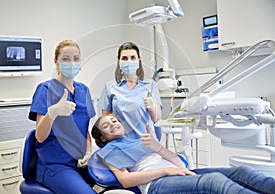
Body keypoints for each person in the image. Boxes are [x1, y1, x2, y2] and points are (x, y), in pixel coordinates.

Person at [91, 114, 275, 194]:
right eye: (106, 125)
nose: (113, 124)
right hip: (156, 185)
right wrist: (165, 171)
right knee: (214, 181)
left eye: (114, 120)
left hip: (175, 173)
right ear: (103, 137)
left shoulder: (140, 140)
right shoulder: (108, 151)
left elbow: (181, 165)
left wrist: (158, 148)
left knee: (242, 172)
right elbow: (126, 180)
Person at [28, 40, 97, 194]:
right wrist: (52, 113)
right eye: (65, 58)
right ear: (56, 61)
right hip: (55, 165)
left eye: (76, 58)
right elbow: (39, 136)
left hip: (80, 163)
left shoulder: (83, 90)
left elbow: (84, 130)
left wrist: (88, 152)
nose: (71, 63)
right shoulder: (45, 89)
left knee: (121, 182)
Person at [99, 42, 162, 139]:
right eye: (124, 58)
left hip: (146, 143)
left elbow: (156, 118)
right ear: (119, 61)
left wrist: (152, 107)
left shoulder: (150, 85)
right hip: (121, 144)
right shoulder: (110, 87)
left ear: (139, 59)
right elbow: (105, 122)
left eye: (133, 57)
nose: (129, 61)